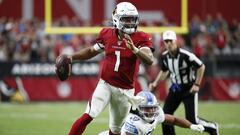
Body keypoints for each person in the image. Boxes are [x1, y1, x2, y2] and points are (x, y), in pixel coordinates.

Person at [64, 2, 154, 135]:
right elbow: (91, 51)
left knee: (115, 130)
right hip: (105, 84)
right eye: (126, 19)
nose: (130, 22)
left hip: (126, 91)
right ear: (116, 19)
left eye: (132, 19)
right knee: (88, 115)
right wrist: (72, 57)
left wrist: (135, 50)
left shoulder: (141, 37)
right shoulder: (106, 34)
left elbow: (149, 59)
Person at [149, 30, 219, 135]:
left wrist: (197, 84)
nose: (168, 44)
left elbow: (201, 66)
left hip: (189, 89)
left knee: (192, 120)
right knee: (165, 116)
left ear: (175, 41)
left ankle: (212, 127)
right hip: (175, 88)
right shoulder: (164, 56)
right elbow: (164, 71)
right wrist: (155, 83)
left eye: (170, 41)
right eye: (166, 41)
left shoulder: (186, 55)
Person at [98, 91, 205, 135]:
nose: (151, 111)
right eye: (147, 108)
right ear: (139, 108)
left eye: (153, 108)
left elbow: (174, 120)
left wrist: (191, 126)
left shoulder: (157, 114)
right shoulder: (134, 122)